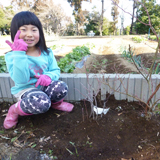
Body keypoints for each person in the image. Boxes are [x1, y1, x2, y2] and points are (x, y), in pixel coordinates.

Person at [4, 11, 74, 129]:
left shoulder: (47, 52)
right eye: (23, 30)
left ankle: (57, 104)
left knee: (61, 86)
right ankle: (14, 110)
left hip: (44, 87)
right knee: (41, 102)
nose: (29, 34)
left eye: (34, 30)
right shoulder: (12, 56)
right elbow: (21, 80)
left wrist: (48, 76)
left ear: (40, 32)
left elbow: (55, 70)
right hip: (26, 90)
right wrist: (19, 54)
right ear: (15, 32)